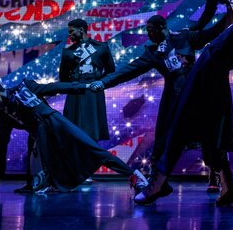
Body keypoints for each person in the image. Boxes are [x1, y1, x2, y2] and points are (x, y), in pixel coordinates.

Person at [134, 0, 233, 205]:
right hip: (208, 81)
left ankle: (157, 183)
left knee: (179, 129)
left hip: (205, 83)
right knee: (209, 135)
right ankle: (228, 183)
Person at [88, 15, 220, 192]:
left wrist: (230, 11)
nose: (148, 34)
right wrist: (105, 82)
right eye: (147, 30)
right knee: (162, 139)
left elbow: (212, 33)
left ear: (162, 27)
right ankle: (158, 181)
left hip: (196, 94)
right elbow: (129, 70)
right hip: (173, 98)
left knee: (207, 136)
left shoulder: (184, 37)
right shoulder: (152, 51)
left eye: (151, 30)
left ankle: (216, 174)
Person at [0, 78, 147, 195]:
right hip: (40, 135)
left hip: (56, 123)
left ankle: (134, 176)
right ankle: (43, 183)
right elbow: (2, 142)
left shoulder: (24, 86)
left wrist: (84, 87)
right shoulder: (2, 114)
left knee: (93, 149)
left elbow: (53, 87)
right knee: (49, 164)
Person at [59, 18, 114, 142]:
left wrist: (100, 82)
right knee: (73, 131)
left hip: (94, 92)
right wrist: (75, 84)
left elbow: (111, 70)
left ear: (81, 30)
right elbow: (63, 77)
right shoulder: (68, 52)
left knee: (93, 130)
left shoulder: (101, 47)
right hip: (75, 93)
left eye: (72, 31)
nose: (70, 34)